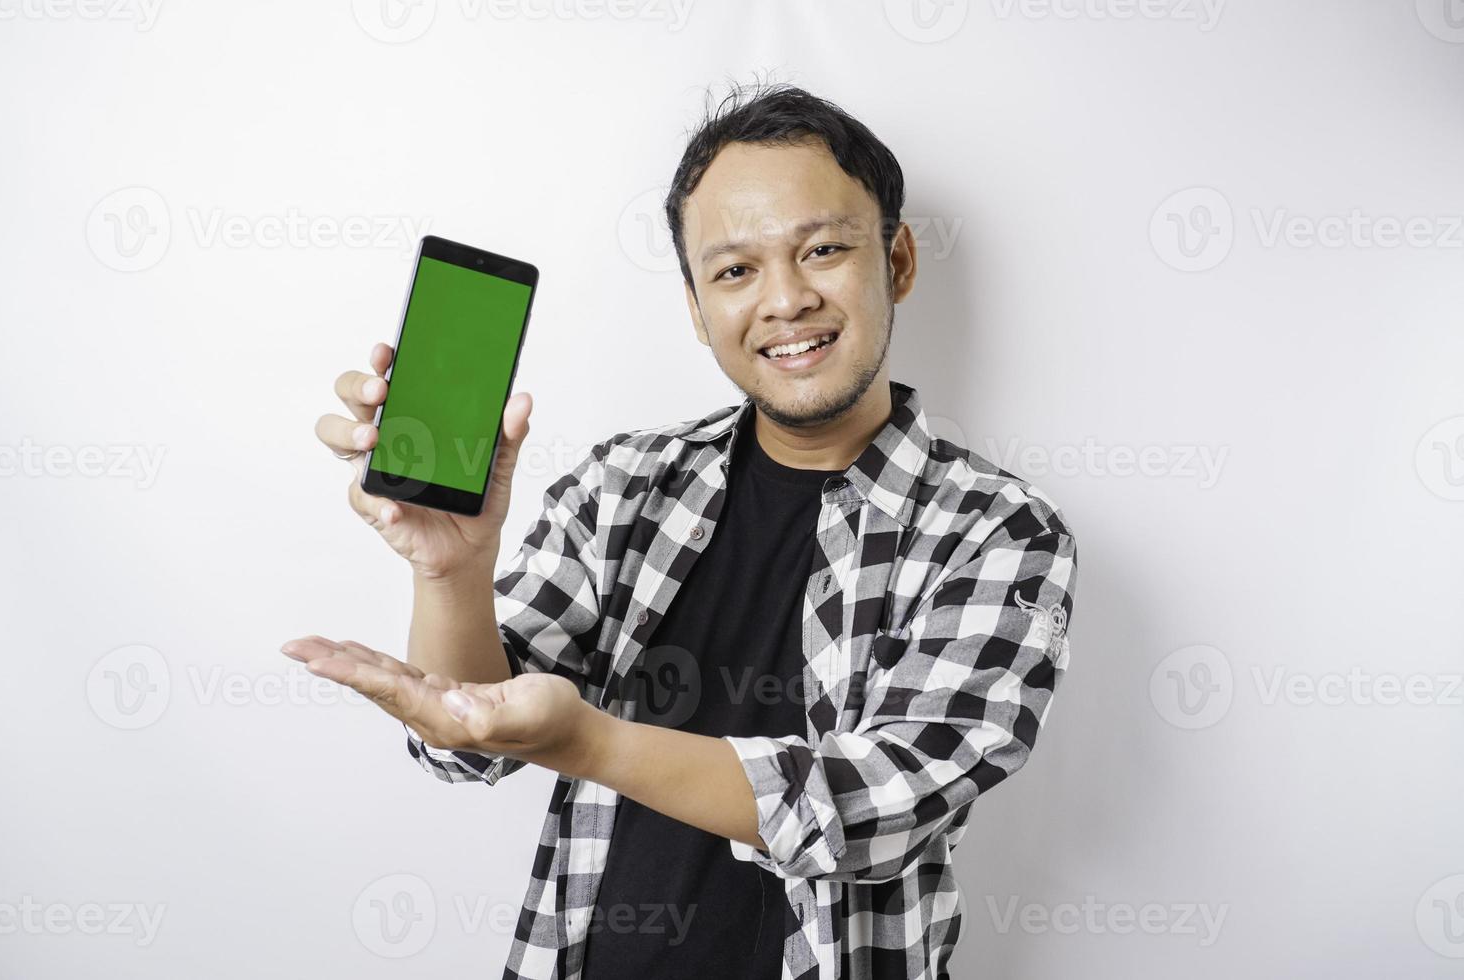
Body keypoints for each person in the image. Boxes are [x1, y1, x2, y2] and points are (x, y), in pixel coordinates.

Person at [283, 80, 1078, 980]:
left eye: (822, 250)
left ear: (895, 261)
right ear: (698, 311)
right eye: (734, 271)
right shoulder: (625, 487)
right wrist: (451, 573)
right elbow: (466, 738)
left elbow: (874, 804)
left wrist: (588, 741)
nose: (784, 301)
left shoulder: (998, 534)